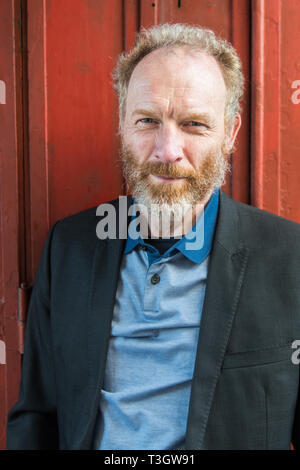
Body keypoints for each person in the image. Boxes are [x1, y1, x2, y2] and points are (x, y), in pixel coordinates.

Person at [6, 23, 300, 450]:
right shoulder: (68, 247)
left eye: (194, 124)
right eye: (147, 120)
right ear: (122, 125)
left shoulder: (290, 258)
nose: (167, 151)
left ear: (231, 134)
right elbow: (38, 415)